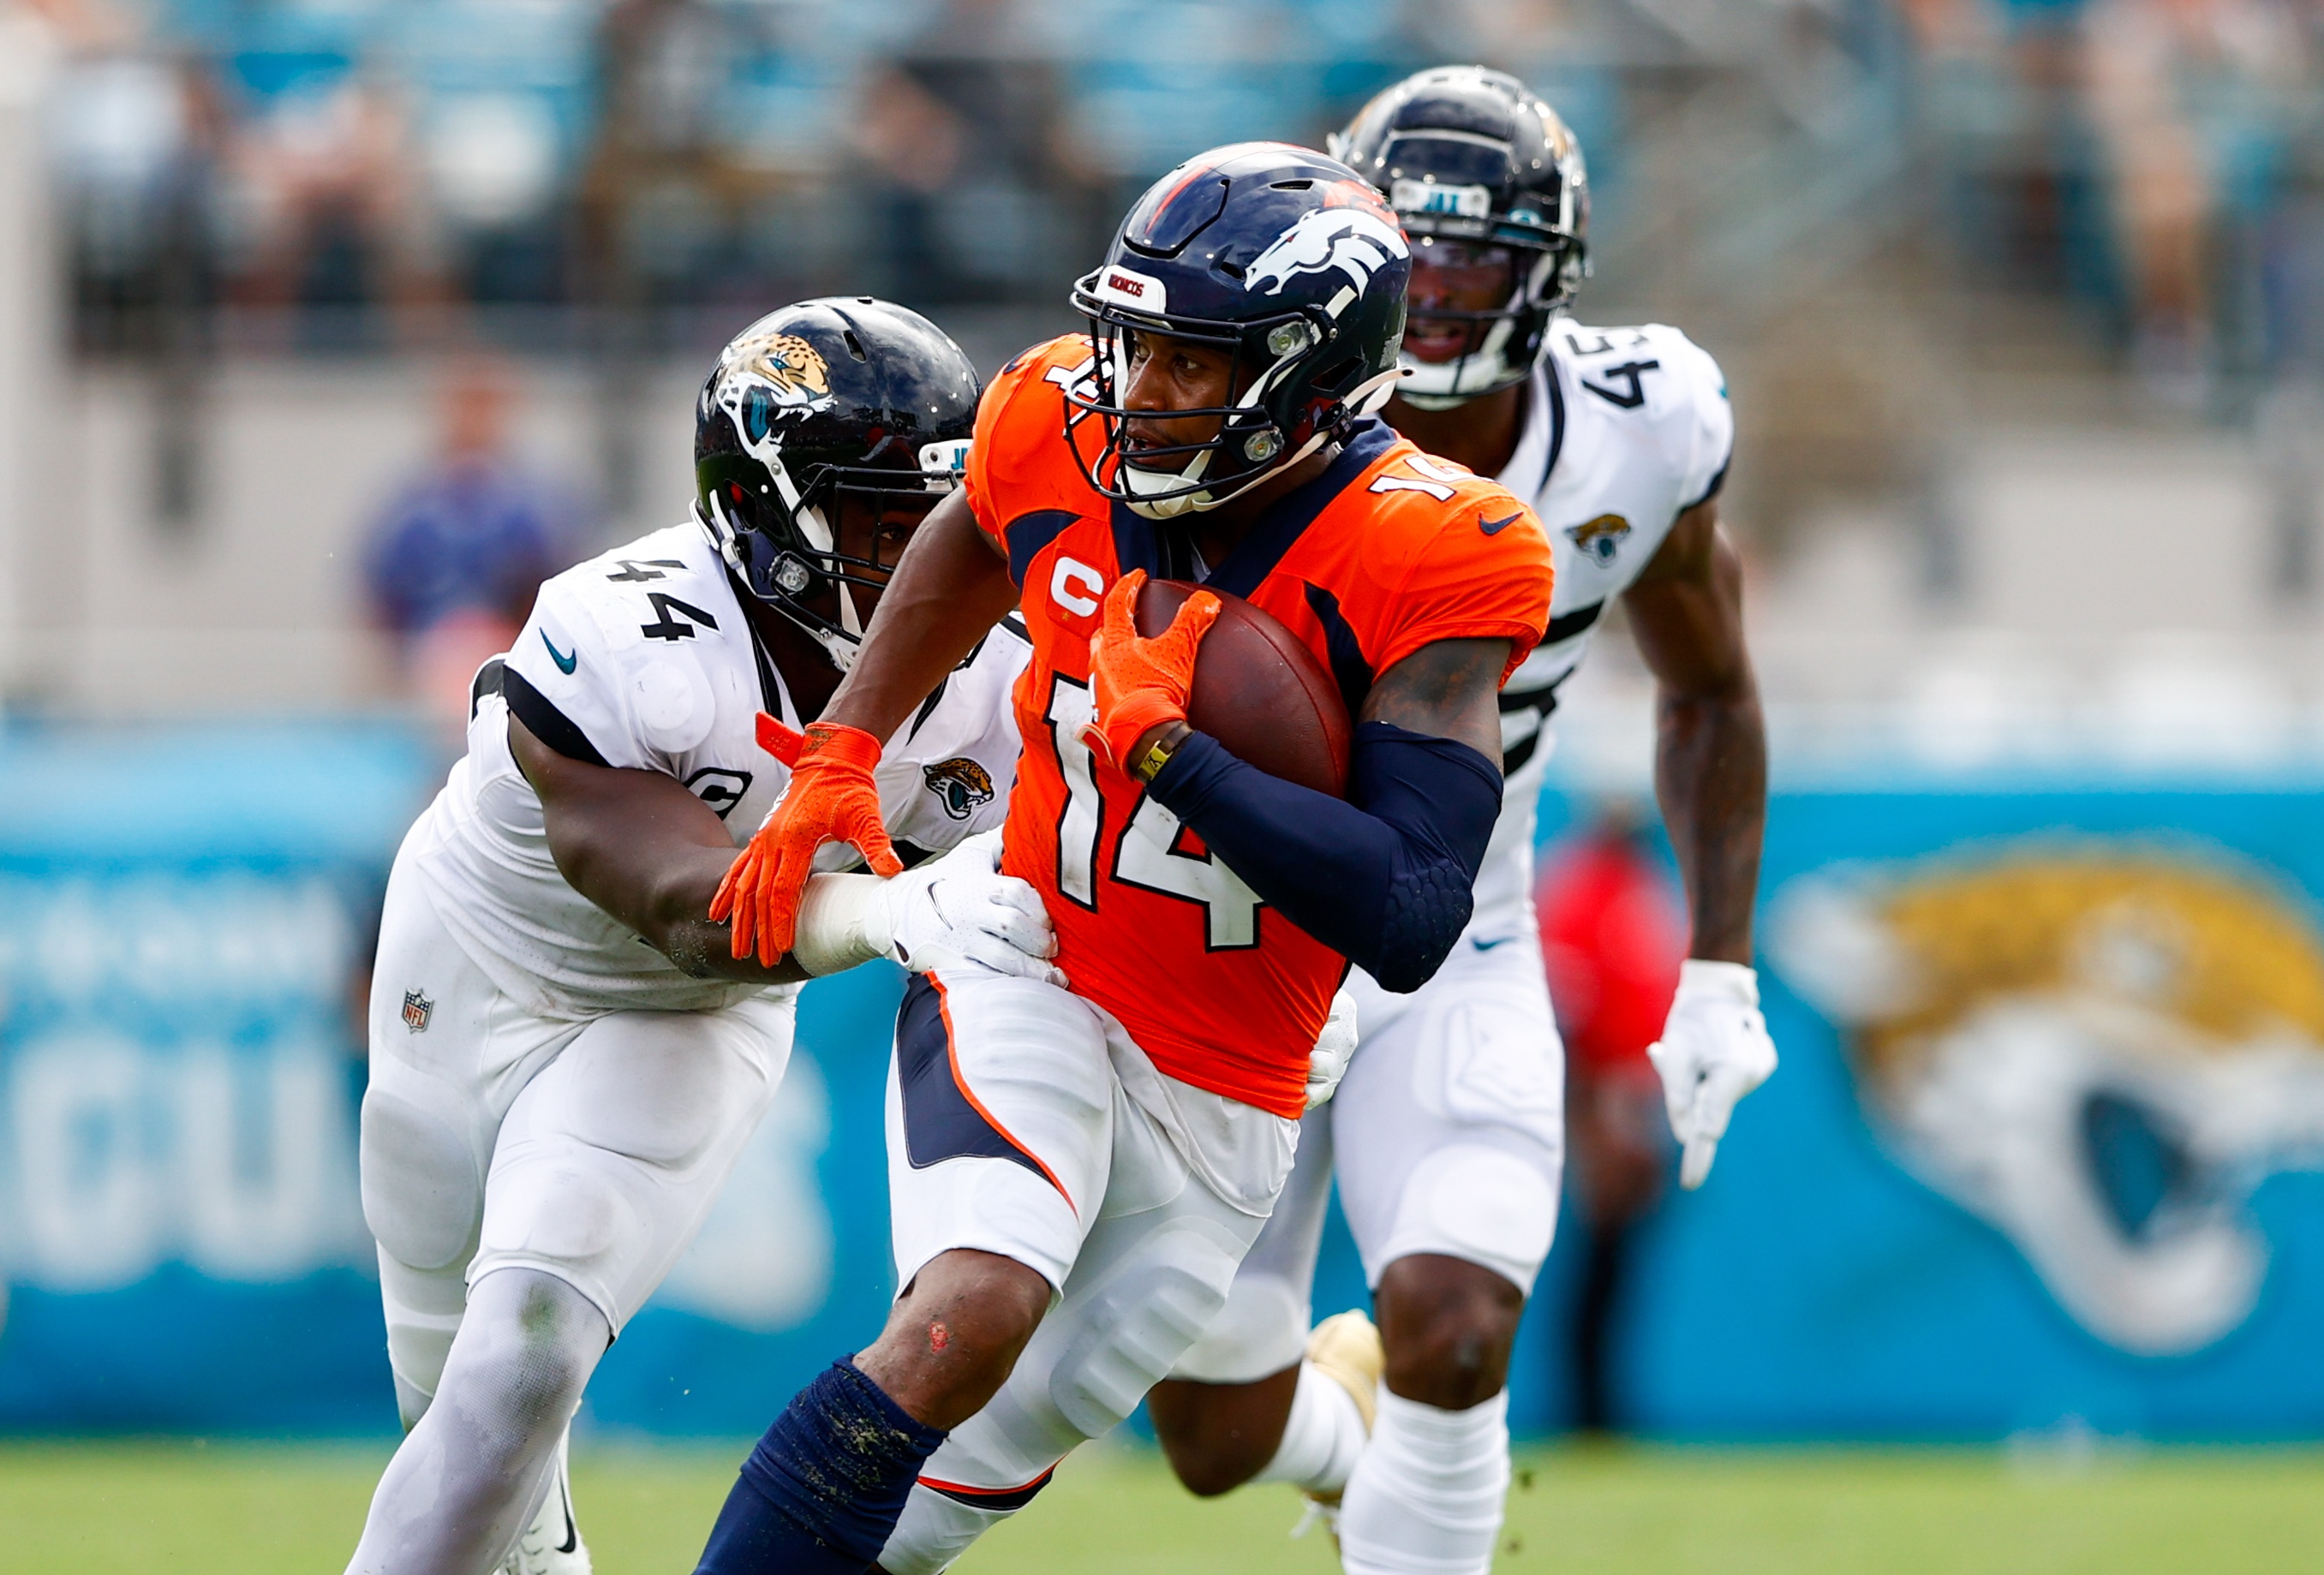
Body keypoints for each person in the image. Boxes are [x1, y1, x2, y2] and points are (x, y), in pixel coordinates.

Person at [695, 141, 1556, 1575]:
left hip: (1232, 1075)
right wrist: (843, 746)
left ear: (1307, 367)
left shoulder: (1434, 548)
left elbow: (1408, 908)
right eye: (1132, 343)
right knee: (962, 1310)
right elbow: (977, 526)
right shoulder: (1051, 413)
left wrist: (1173, 751)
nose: (1136, 392)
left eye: (1186, 362)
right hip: (1028, 953)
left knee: (923, 1508)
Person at [1140, 68, 1777, 1575]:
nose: (1430, 291)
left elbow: (1709, 685)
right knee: (1209, 1435)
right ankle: (1334, 1424)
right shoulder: (1229, 400)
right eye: (1404, 250)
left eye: (1472, 253)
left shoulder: (1644, 423)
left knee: (1455, 1311)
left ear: (1545, 271)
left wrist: (1719, 964)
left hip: (1456, 928)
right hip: (1236, 935)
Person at [341, 299, 1048, 1575]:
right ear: (765, 509)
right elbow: (685, 907)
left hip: (672, 1024)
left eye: (944, 515)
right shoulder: (627, 633)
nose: (926, 552)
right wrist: (889, 909)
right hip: (480, 957)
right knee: (442, 1383)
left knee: (524, 1354)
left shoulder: (1003, 674)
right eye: (887, 520)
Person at [1534, 801, 1688, 1434]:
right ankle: (1588, 1414)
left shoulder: (1641, 883)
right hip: (1600, 1098)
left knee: (1617, 1272)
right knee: (1590, 1273)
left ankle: (1602, 1412)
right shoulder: (1580, 887)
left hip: (1641, 1093)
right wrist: (1589, 1120)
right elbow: (1568, 1019)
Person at [361, 355, 588, 743]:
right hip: (428, 670)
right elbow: (379, 600)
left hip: (517, 669)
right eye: (463, 405)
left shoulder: (536, 504)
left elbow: (568, 590)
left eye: (484, 405)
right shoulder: (412, 507)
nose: (473, 418)